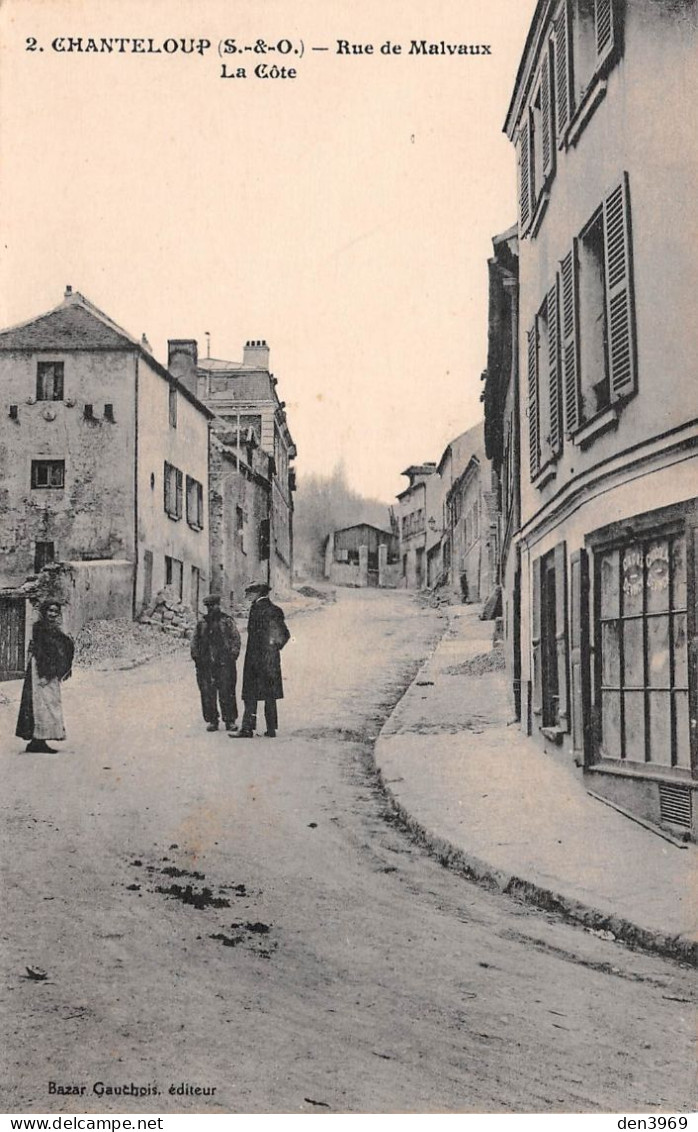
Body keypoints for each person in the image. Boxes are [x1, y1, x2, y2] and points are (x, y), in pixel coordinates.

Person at [233, 581, 290, 739]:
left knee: (250, 694)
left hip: (255, 660)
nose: (248, 596)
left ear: (258, 593)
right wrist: (273, 648)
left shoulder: (256, 609)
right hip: (270, 661)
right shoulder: (275, 610)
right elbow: (284, 635)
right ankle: (271, 729)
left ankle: (247, 729)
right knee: (269, 694)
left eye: (250, 593)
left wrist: (264, 649)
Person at [16, 599, 74, 754]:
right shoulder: (40, 628)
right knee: (40, 704)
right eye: (50, 611)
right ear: (44, 612)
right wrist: (44, 674)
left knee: (50, 704)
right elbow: (41, 651)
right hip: (40, 670)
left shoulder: (54, 630)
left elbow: (66, 643)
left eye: (56, 611)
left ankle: (40, 740)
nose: (53, 614)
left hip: (50, 669)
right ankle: (37, 741)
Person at [190, 594, 241, 734]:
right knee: (207, 693)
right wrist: (197, 658)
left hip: (225, 663)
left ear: (219, 605)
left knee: (227, 692)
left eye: (214, 605)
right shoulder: (202, 623)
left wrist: (232, 656)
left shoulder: (227, 621)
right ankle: (212, 720)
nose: (212, 608)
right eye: (209, 606)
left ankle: (230, 721)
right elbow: (194, 642)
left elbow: (236, 639)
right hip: (206, 665)